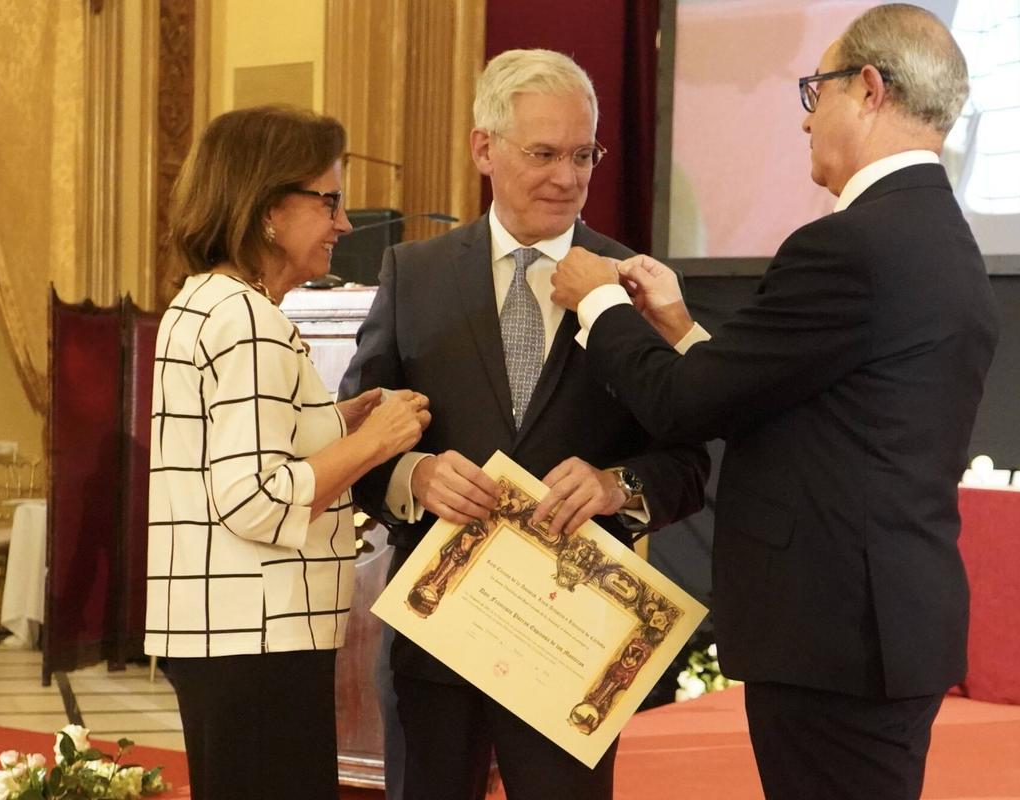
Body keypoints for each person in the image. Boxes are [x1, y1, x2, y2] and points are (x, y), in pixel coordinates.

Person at [551, 5, 999, 799]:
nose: (804, 122)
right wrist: (684, 327)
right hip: (877, 627)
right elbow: (781, 394)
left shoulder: (851, 243)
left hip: (833, 635)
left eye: (812, 91)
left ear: (867, 89)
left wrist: (600, 306)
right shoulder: (934, 233)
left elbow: (686, 409)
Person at [338, 49, 710, 800]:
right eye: (543, 153)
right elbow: (358, 442)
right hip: (435, 643)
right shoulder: (414, 274)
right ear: (484, 148)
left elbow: (691, 460)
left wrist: (617, 486)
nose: (568, 177)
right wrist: (415, 475)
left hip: (571, 646)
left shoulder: (632, 283)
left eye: (583, 155)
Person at [144, 105, 431, 800]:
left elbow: (233, 451)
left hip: (222, 631)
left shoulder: (206, 300)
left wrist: (336, 421)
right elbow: (254, 499)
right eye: (329, 200)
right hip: (259, 636)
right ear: (270, 208)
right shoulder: (248, 320)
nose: (344, 224)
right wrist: (374, 443)